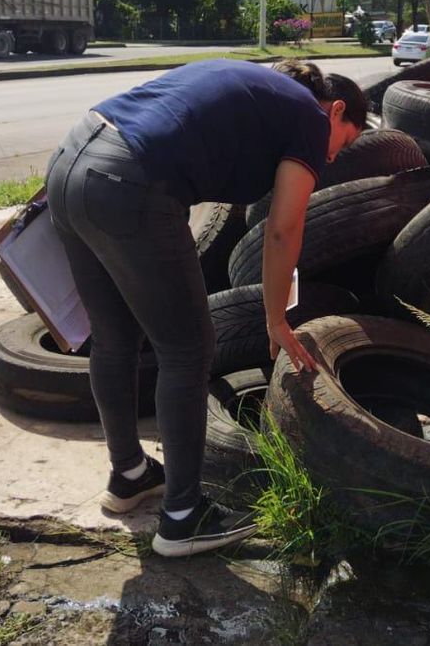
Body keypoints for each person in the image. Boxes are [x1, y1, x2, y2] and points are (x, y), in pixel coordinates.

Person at [45, 58, 366, 558]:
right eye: (344, 142)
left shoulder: (259, 93)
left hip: (70, 162)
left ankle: (129, 474)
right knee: (189, 350)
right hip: (128, 181)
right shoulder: (308, 116)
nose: (333, 155)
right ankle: (182, 517)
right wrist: (276, 318)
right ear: (337, 110)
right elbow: (283, 232)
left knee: (114, 337)